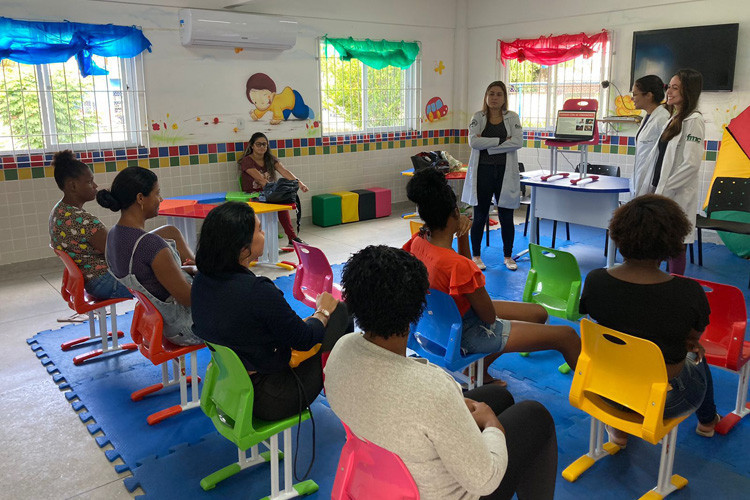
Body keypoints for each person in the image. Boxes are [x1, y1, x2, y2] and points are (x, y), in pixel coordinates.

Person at [325, 245, 558, 500]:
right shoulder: (432, 389)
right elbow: (485, 482)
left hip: (375, 478)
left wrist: (451, 405)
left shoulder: (341, 349)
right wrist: (492, 424)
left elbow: (398, 401)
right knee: (536, 415)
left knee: (498, 396)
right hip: (443, 492)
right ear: (418, 310)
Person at [405, 168, 581, 385]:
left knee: (538, 313)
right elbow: (488, 317)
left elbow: (463, 276)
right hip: (466, 332)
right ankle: (598, 391)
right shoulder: (456, 265)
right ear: (453, 214)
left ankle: (480, 371)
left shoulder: (417, 242)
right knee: (567, 336)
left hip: (435, 325)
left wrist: (462, 238)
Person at [579, 194, 720, 446]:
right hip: (663, 402)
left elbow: (596, 319)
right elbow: (691, 339)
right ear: (673, 241)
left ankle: (619, 430)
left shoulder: (595, 280)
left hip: (604, 390)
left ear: (619, 234)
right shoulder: (689, 292)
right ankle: (708, 421)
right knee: (698, 354)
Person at [191, 202, 351, 421]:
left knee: (315, 322)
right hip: (272, 398)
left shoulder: (201, 280)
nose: (264, 232)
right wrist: (322, 311)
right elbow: (304, 339)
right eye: (259, 229)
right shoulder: (257, 291)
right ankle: (348, 391)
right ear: (243, 248)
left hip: (230, 391)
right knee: (341, 311)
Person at [97, 166, 202, 346]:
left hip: (156, 320)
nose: (160, 199)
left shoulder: (115, 233)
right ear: (140, 198)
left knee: (170, 232)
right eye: (157, 193)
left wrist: (191, 269)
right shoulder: (150, 245)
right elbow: (189, 299)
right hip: (184, 327)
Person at [633, 68, 705, 275]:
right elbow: (657, 157)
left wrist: (665, 190)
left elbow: (690, 165)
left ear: (688, 91)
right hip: (659, 189)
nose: (669, 92)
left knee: (675, 243)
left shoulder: (694, 121)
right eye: (669, 87)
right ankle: (652, 280)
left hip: (675, 193)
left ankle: (675, 284)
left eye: (675, 88)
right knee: (657, 239)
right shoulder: (673, 119)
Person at [49, 150, 131, 300]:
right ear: (72, 186)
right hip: (106, 283)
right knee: (163, 280)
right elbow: (117, 255)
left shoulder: (58, 211)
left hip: (90, 282)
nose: (95, 185)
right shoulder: (84, 221)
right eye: (89, 181)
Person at [462, 81, 523, 271]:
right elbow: (473, 142)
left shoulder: (512, 117)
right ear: (486, 96)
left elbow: (518, 142)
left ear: (504, 98)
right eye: (491, 94)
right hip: (483, 172)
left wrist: (487, 144)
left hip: (505, 172)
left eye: (498, 94)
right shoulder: (478, 117)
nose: (494, 98)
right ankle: (476, 256)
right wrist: (501, 141)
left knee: (506, 216)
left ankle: (508, 256)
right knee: (479, 215)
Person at [238, 132, 308, 246]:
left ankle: (292, 238)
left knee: (282, 203)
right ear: (252, 146)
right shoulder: (247, 161)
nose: (262, 147)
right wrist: (275, 192)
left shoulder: (270, 159)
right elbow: (260, 179)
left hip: (269, 193)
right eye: (258, 144)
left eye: (264, 144)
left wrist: (299, 183)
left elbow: (285, 171)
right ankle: (260, 242)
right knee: (278, 200)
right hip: (253, 194)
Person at [630, 75, 670, 197]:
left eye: (635, 94)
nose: (632, 99)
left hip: (652, 182)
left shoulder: (662, 118)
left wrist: (656, 183)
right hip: (641, 178)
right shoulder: (647, 117)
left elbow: (665, 154)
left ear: (648, 95)